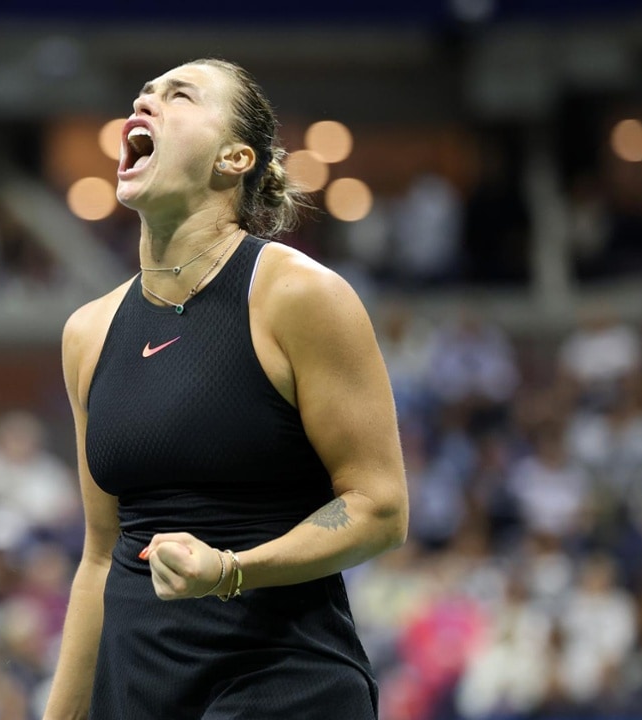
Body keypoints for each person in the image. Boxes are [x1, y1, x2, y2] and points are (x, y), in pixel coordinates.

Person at [43, 59, 408, 719]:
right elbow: (100, 556)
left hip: (283, 682)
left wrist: (232, 570)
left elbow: (378, 508)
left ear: (235, 158)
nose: (146, 103)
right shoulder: (87, 333)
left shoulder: (300, 296)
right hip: (137, 693)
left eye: (179, 96)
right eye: (142, 95)